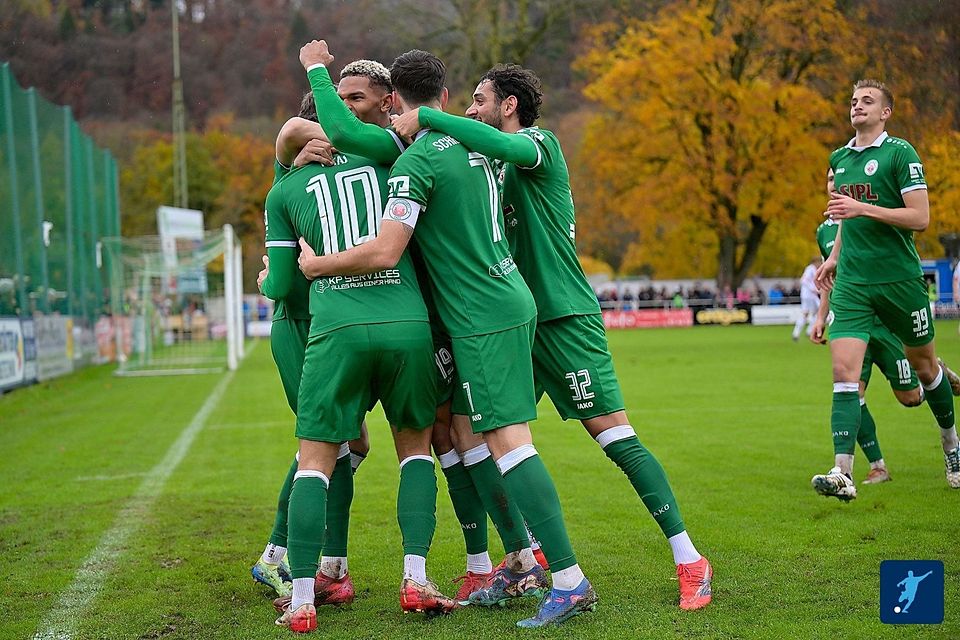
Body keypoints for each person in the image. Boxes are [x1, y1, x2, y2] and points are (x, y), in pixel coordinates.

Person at [391, 63, 712, 611]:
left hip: (563, 317)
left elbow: (488, 143)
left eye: (479, 100)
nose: (471, 110)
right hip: (512, 321)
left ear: (508, 106)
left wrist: (426, 117)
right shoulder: (481, 162)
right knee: (470, 435)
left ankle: (690, 559)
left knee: (613, 437)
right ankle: (524, 561)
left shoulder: (538, 145)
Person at [297, 43, 595, 628]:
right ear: (448, 97)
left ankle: (564, 577)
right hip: (499, 301)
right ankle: (514, 563)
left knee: (508, 442)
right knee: (470, 437)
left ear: (394, 105)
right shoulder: (472, 140)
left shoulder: (415, 163)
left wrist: (318, 266)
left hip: (479, 315)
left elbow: (385, 248)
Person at [260, 77, 457, 635]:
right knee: (416, 451)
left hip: (336, 329)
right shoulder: (392, 163)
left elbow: (280, 285)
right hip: (407, 324)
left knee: (317, 459)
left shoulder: (284, 193)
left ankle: (302, 597)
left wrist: (275, 277)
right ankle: (415, 578)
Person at [814, 79, 960, 498]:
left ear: (886, 112)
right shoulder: (840, 158)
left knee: (925, 371)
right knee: (843, 374)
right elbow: (845, 219)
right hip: (854, 285)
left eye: (867, 101)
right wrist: (835, 257)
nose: (857, 105)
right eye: (853, 100)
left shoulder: (900, 154)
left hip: (899, 281)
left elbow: (919, 218)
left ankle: (951, 443)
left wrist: (861, 207)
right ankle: (843, 471)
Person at [793, 257, 820, 341]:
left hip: (810, 295)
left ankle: (807, 331)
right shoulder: (810, 269)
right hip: (809, 295)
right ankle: (798, 333)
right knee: (807, 313)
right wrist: (814, 289)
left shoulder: (813, 269)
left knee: (817, 311)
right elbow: (804, 280)